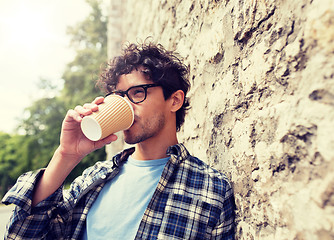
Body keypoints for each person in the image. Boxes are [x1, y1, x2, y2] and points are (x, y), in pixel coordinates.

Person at [2, 42, 235, 239]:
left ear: (174, 100)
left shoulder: (211, 189)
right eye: (118, 96)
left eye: (137, 93)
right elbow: (23, 234)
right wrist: (66, 155)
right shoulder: (95, 178)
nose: (125, 105)